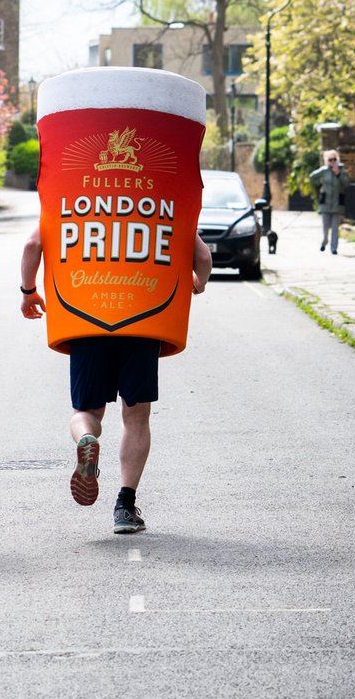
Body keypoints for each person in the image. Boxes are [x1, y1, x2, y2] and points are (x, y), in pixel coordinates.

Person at [19, 224, 213, 534]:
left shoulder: (70, 198)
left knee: (87, 411)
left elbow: (32, 245)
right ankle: (125, 506)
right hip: (144, 316)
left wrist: (28, 292)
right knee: (136, 416)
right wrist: (198, 282)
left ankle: (87, 438)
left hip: (87, 315)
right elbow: (202, 256)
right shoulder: (157, 201)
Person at [310, 151, 349, 255]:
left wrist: (338, 174)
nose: (332, 162)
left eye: (334, 159)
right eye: (330, 160)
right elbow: (312, 177)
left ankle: (334, 248)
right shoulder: (323, 171)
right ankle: (324, 241)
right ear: (326, 161)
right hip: (325, 203)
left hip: (337, 203)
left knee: (335, 228)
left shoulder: (342, 170)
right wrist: (319, 184)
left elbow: (346, 183)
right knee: (325, 226)